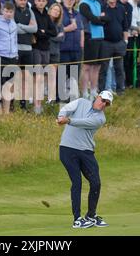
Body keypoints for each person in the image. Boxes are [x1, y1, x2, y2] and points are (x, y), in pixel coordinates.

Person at [57, 90, 113, 228]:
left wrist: (68, 120)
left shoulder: (100, 119)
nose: (103, 104)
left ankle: (91, 215)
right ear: (98, 97)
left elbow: (84, 122)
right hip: (68, 149)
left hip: (86, 151)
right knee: (77, 182)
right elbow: (66, 108)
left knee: (96, 183)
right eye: (103, 100)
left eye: (107, 103)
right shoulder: (81, 102)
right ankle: (77, 219)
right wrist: (61, 116)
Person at [79, 0, 108, 99]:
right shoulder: (83, 4)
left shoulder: (97, 3)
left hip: (100, 36)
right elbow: (93, 19)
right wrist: (100, 18)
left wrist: (99, 19)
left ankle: (94, 90)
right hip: (89, 36)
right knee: (87, 66)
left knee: (97, 66)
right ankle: (85, 91)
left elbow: (105, 19)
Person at [98, 0, 129, 95]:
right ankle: (101, 90)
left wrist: (125, 41)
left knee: (119, 68)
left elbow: (125, 26)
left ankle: (120, 90)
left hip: (119, 43)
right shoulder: (102, 8)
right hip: (106, 43)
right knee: (104, 68)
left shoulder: (121, 8)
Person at [0, 1, 18, 113]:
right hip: (0, 56)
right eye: (6, 11)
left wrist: (16, 54)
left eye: (10, 12)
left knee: (9, 85)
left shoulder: (13, 24)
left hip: (12, 57)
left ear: (13, 12)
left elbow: (15, 40)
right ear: (2, 11)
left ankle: (6, 111)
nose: (8, 14)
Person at [31, 0, 57, 114]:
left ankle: (39, 103)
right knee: (38, 78)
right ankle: (36, 105)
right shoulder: (32, 12)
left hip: (46, 49)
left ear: (46, 2)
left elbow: (54, 32)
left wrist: (43, 32)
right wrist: (42, 33)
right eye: (39, 0)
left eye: (43, 1)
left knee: (43, 77)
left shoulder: (46, 14)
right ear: (35, 2)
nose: (41, 3)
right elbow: (35, 31)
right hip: (35, 48)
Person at [14, 0, 38, 111]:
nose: (23, 2)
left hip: (28, 49)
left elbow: (34, 28)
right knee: (15, 77)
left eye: (25, 0)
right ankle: (12, 102)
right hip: (16, 48)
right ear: (16, 0)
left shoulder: (30, 11)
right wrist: (26, 27)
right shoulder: (12, 11)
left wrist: (21, 26)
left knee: (26, 77)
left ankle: (23, 104)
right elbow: (14, 28)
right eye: (21, 0)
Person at [60, 0, 84, 100]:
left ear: (74, 1)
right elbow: (55, 29)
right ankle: (61, 96)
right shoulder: (60, 12)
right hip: (63, 48)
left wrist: (82, 45)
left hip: (76, 49)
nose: (69, 1)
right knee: (62, 74)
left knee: (74, 74)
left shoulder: (77, 13)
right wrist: (66, 29)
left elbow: (81, 29)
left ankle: (73, 96)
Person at [124, 0, 140, 87]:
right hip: (128, 36)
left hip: (135, 36)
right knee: (126, 59)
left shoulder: (138, 7)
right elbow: (126, 23)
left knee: (133, 59)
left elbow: (138, 21)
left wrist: (138, 29)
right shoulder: (129, 5)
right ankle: (126, 81)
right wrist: (136, 29)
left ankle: (131, 81)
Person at [48, 2, 64, 103]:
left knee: (53, 75)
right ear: (50, 10)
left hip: (55, 52)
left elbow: (62, 38)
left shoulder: (60, 24)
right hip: (45, 51)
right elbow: (43, 36)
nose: (56, 12)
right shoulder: (45, 21)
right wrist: (55, 36)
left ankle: (51, 98)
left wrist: (50, 36)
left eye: (58, 11)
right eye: (54, 9)